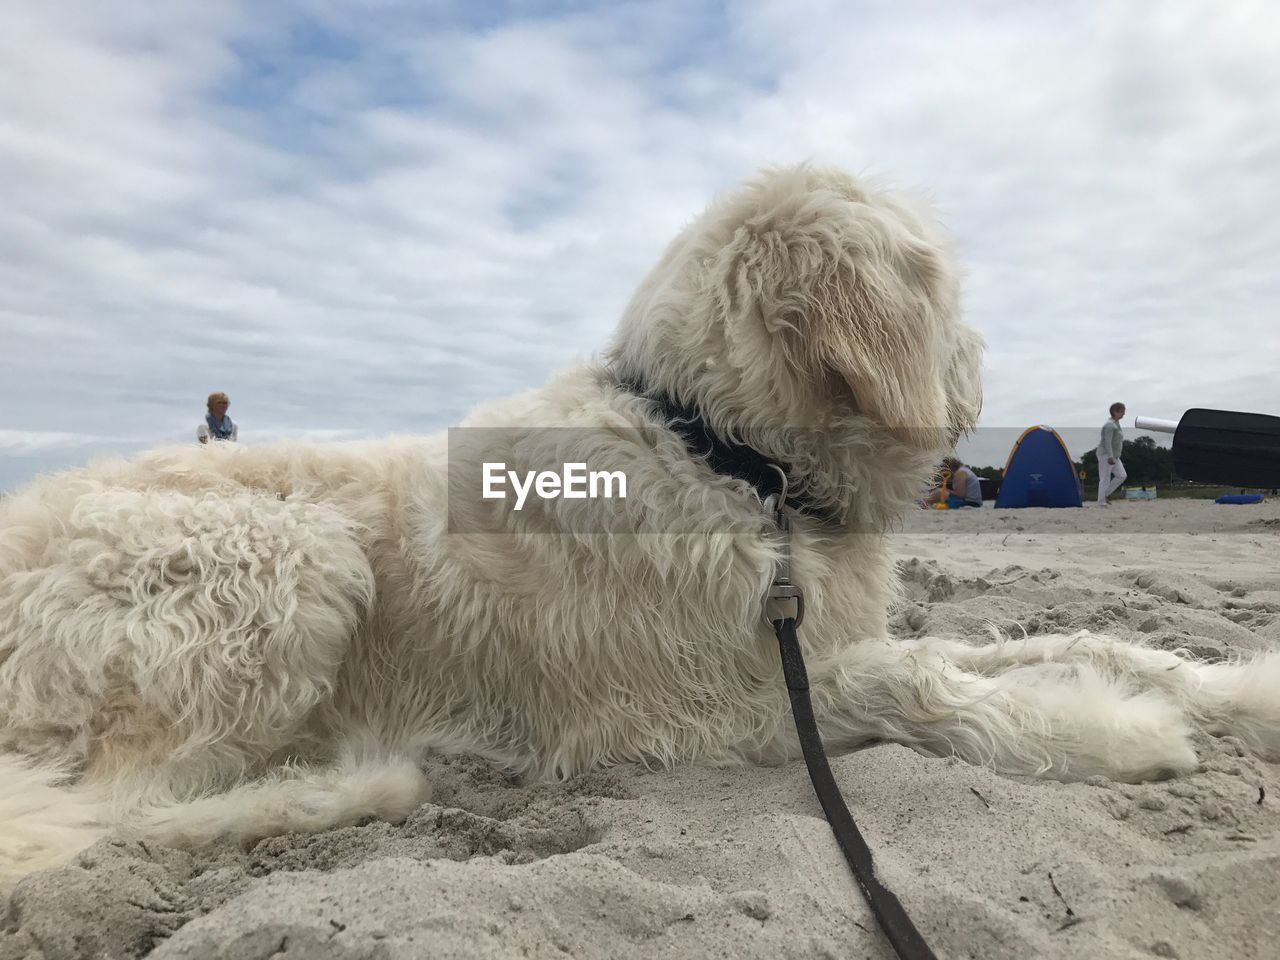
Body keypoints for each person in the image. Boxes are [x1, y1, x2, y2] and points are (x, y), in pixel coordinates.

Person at [1096, 401, 1126, 505]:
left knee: (1122, 475)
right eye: (1122, 411)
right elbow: (1107, 442)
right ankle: (1101, 501)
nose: (1124, 414)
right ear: (1115, 412)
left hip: (1116, 456)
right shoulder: (1109, 425)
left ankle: (1105, 494)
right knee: (1105, 478)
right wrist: (1110, 456)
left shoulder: (1116, 424)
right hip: (1106, 455)